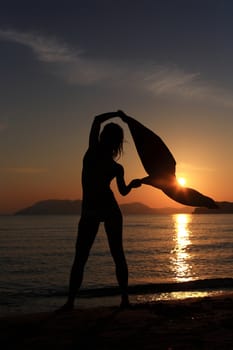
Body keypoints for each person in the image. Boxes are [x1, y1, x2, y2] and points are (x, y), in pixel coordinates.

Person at [61, 111, 142, 311]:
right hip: (108, 208)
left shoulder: (92, 152)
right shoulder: (115, 166)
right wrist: (132, 185)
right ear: (118, 142)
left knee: (81, 256)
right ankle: (125, 300)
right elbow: (123, 192)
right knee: (117, 255)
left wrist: (116, 114)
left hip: (92, 209)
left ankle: (70, 303)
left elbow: (97, 119)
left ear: (104, 136)